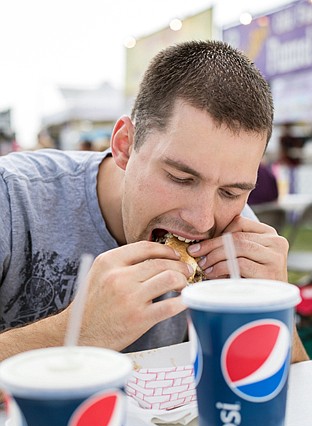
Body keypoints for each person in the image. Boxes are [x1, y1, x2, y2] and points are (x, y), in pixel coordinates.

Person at [0, 41, 308, 369]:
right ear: (124, 145)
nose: (203, 221)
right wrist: (77, 332)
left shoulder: (235, 237)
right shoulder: (14, 199)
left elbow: (297, 396)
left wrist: (274, 309)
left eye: (231, 192)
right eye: (180, 177)